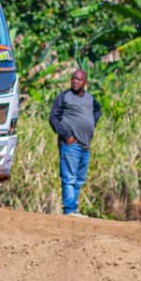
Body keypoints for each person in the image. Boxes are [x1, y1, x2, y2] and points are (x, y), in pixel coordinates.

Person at [47, 66, 101, 217]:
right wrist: (66, 135)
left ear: (85, 82)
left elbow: (98, 110)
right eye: (73, 78)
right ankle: (69, 210)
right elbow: (53, 118)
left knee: (79, 179)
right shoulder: (64, 97)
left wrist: (91, 123)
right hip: (71, 144)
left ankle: (74, 209)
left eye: (78, 79)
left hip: (85, 144)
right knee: (69, 177)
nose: (75, 81)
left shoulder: (90, 98)